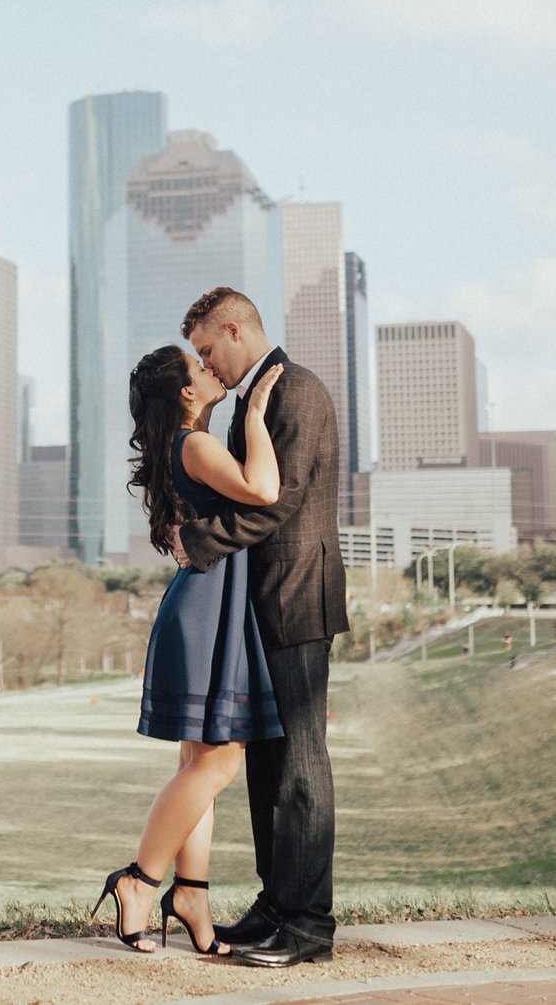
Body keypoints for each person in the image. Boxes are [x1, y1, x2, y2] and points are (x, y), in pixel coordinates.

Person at [95, 340, 285, 954]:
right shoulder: (196, 444)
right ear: (184, 391)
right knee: (220, 761)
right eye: (199, 366)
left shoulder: (180, 446)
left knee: (197, 764)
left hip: (204, 605)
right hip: (207, 611)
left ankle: (193, 897)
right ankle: (141, 880)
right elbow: (262, 491)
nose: (210, 369)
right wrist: (255, 417)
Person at [176, 287, 346, 969]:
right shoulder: (252, 397)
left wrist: (200, 539)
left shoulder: (295, 389)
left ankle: (307, 925)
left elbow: (284, 498)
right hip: (260, 600)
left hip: (298, 597)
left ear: (235, 327)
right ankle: (276, 906)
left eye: (208, 349)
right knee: (269, 766)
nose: (207, 363)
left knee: (301, 765)